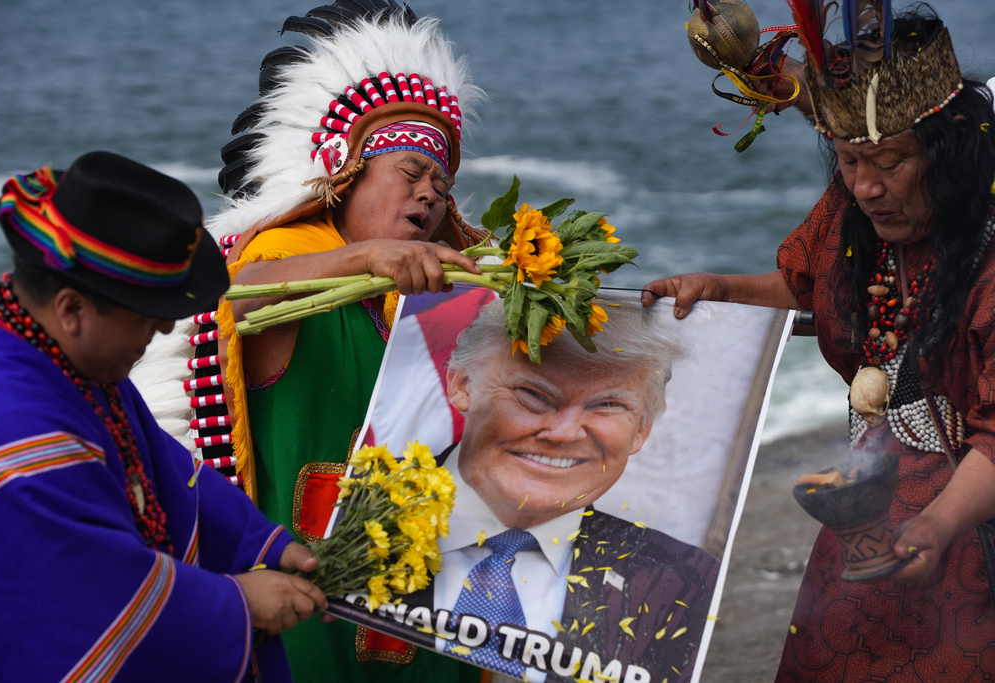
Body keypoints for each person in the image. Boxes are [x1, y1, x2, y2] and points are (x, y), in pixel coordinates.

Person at [127, 2, 486, 681]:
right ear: (344, 172)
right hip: (309, 617)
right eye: (410, 172)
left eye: (442, 184)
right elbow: (232, 294)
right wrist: (365, 257)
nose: (431, 195)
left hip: (423, 613)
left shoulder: (434, 298)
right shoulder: (289, 253)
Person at [644, 4, 995, 680]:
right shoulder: (856, 212)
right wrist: (718, 287)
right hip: (863, 524)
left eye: (890, 162)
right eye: (848, 160)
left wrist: (937, 525)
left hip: (970, 537)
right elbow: (808, 283)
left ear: (949, 147)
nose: (866, 187)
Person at [0, 151, 329, 682]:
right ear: (71, 309)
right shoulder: (10, 427)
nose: (164, 330)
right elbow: (85, 596)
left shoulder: (42, 341)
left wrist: (259, 542)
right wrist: (238, 604)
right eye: (147, 314)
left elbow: (158, 466)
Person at [399, 298, 719, 683]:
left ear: (641, 430)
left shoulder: (684, 580)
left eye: (608, 404)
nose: (564, 433)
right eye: (533, 394)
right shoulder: (349, 505)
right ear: (462, 385)